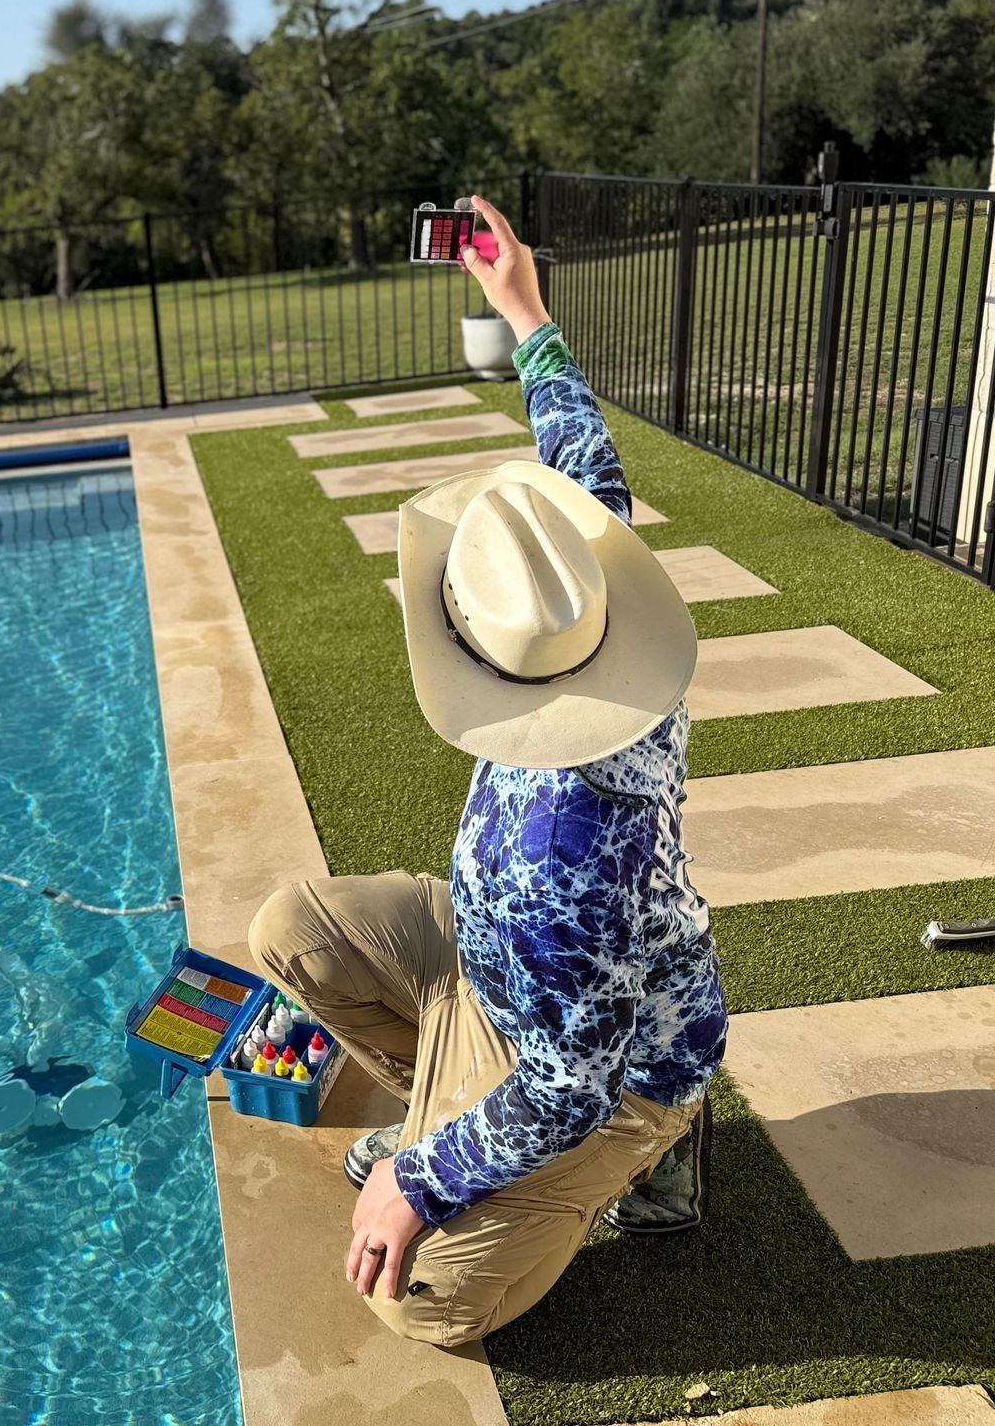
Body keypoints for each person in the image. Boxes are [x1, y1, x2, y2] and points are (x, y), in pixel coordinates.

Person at [246, 197, 728, 1348]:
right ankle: (448, 1113)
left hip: (605, 1068)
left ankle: (653, 1148)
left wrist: (420, 1182)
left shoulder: (566, 848)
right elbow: (583, 461)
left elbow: (568, 1083)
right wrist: (525, 312)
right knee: (290, 931)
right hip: (502, 965)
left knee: (424, 1303)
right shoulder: (583, 607)